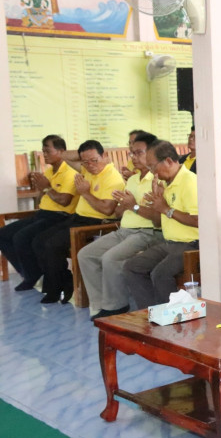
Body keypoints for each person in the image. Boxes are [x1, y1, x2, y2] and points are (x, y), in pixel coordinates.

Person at [78, 132, 163, 319]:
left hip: (147, 233)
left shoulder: (158, 180)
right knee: (85, 254)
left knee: (111, 258)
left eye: (139, 153)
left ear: (152, 153)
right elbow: (118, 212)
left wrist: (133, 205)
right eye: (132, 153)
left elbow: (158, 219)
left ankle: (116, 306)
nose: (133, 157)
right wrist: (123, 204)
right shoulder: (132, 180)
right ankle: (98, 305)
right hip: (124, 230)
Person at [33, 140, 125, 304]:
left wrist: (86, 193)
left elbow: (107, 210)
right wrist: (85, 155)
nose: (90, 165)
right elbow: (64, 155)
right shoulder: (86, 169)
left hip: (96, 223)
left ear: (104, 156)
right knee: (38, 240)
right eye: (85, 162)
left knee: (52, 244)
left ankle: (56, 288)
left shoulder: (113, 178)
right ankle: (65, 281)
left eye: (94, 160)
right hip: (77, 218)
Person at [122, 140, 199, 308]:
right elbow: (158, 221)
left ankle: (172, 317)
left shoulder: (190, 182)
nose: (151, 171)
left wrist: (166, 209)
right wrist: (157, 205)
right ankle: (150, 312)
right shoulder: (164, 183)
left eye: (152, 166)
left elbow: (198, 220)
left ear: (169, 161)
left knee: (160, 274)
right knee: (132, 267)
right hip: (169, 243)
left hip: (192, 245)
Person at [0, 135, 78, 291]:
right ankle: (29, 273)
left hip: (60, 217)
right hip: (42, 214)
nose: (44, 155)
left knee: (21, 237)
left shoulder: (70, 172)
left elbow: (64, 201)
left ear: (61, 151)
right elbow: (41, 198)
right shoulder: (49, 172)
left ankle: (32, 275)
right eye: (43, 151)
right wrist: (41, 189)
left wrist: (46, 188)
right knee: (3, 234)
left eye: (48, 151)